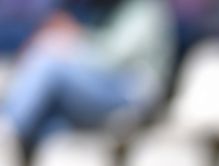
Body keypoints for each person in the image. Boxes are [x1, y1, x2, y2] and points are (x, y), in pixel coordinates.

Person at [0, 0, 175, 147]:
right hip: (102, 91)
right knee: (49, 122)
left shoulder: (144, 9)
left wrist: (73, 41)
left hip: (128, 97)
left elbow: (112, 60)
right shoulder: (101, 11)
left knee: (49, 61)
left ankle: (9, 128)